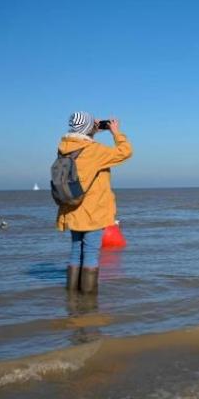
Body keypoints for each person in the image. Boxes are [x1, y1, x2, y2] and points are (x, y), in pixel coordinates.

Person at [56, 112, 132, 294]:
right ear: (89, 128)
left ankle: (72, 296)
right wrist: (116, 133)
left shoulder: (64, 148)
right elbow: (125, 152)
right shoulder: (95, 151)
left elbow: (81, 149)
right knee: (90, 253)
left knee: (76, 251)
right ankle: (88, 301)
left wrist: (91, 131)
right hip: (93, 211)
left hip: (72, 207)